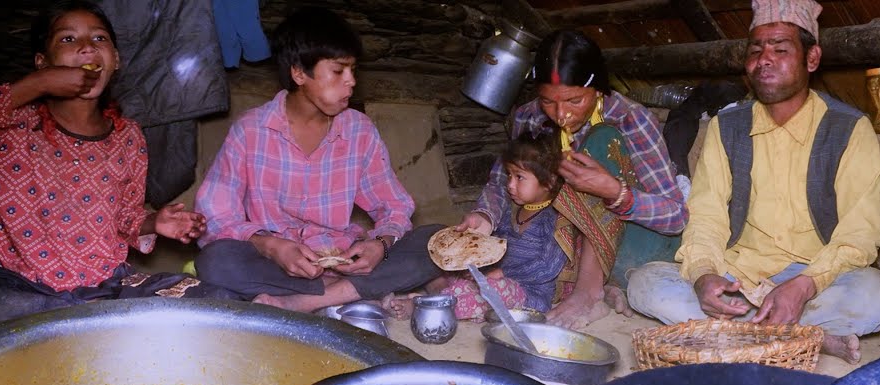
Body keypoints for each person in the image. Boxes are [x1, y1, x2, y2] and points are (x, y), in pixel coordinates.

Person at [626, 0, 880, 364]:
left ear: (811, 58)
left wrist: (804, 285)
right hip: (738, 274)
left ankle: (739, 336)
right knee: (644, 285)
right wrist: (704, 275)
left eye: (780, 50)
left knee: (876, 297)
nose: (764, 60)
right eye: (755, 51)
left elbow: (860, 233)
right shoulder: (726, 126)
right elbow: (706, 214)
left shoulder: (849, 128)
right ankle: (801, 337)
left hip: (813, 277)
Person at [0, 0, 228, 343]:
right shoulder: (9, 125)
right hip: (21, 289)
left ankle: (80, 324)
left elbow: (124, 217)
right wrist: (34, 85)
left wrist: (155, 222)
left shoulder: (128, 136)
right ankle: (84, 325)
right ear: (42, 62)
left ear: (116, 60)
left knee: (213, 303)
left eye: (99, 38)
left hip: (106, 286)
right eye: (67, 39)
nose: (86, 47)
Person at [193, 7, 441, 313]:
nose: (351, 81)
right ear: (299, 73)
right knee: (215, 261)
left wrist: (381, 245)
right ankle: (353, 294)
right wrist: (270, 246)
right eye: (338, 71)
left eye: (353, 70)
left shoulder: (358, 130)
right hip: (279, 265)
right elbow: (215, 214)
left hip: (346, 260)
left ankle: (306, 301)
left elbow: (394, 205)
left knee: (435, 240)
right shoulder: (251, 130)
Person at [455, 30, 688, 330]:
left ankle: (589, 291)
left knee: (599, 142)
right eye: (547, 101)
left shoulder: (631, 120)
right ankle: (590, 283)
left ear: (598, 87)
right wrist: (485, 214)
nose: (561, 114)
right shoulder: (530, 117)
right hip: (562, 251)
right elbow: (501, 181)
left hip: (636, 244)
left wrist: (614, 191)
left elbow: (675, 217)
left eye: (574, 100)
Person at [386, 131, 570, 320]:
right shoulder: (511, 210)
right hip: (496, 278)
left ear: (550, 181)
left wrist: (502, 273)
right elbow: (494, 249)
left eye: (519, 177)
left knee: (491, 292)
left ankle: (424, 307)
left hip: (528, 293)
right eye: (509, 175)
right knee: (446, 269)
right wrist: (479, 269)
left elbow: (547, 267)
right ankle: (443, 295)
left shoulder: (555, 219)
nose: (510, 184)